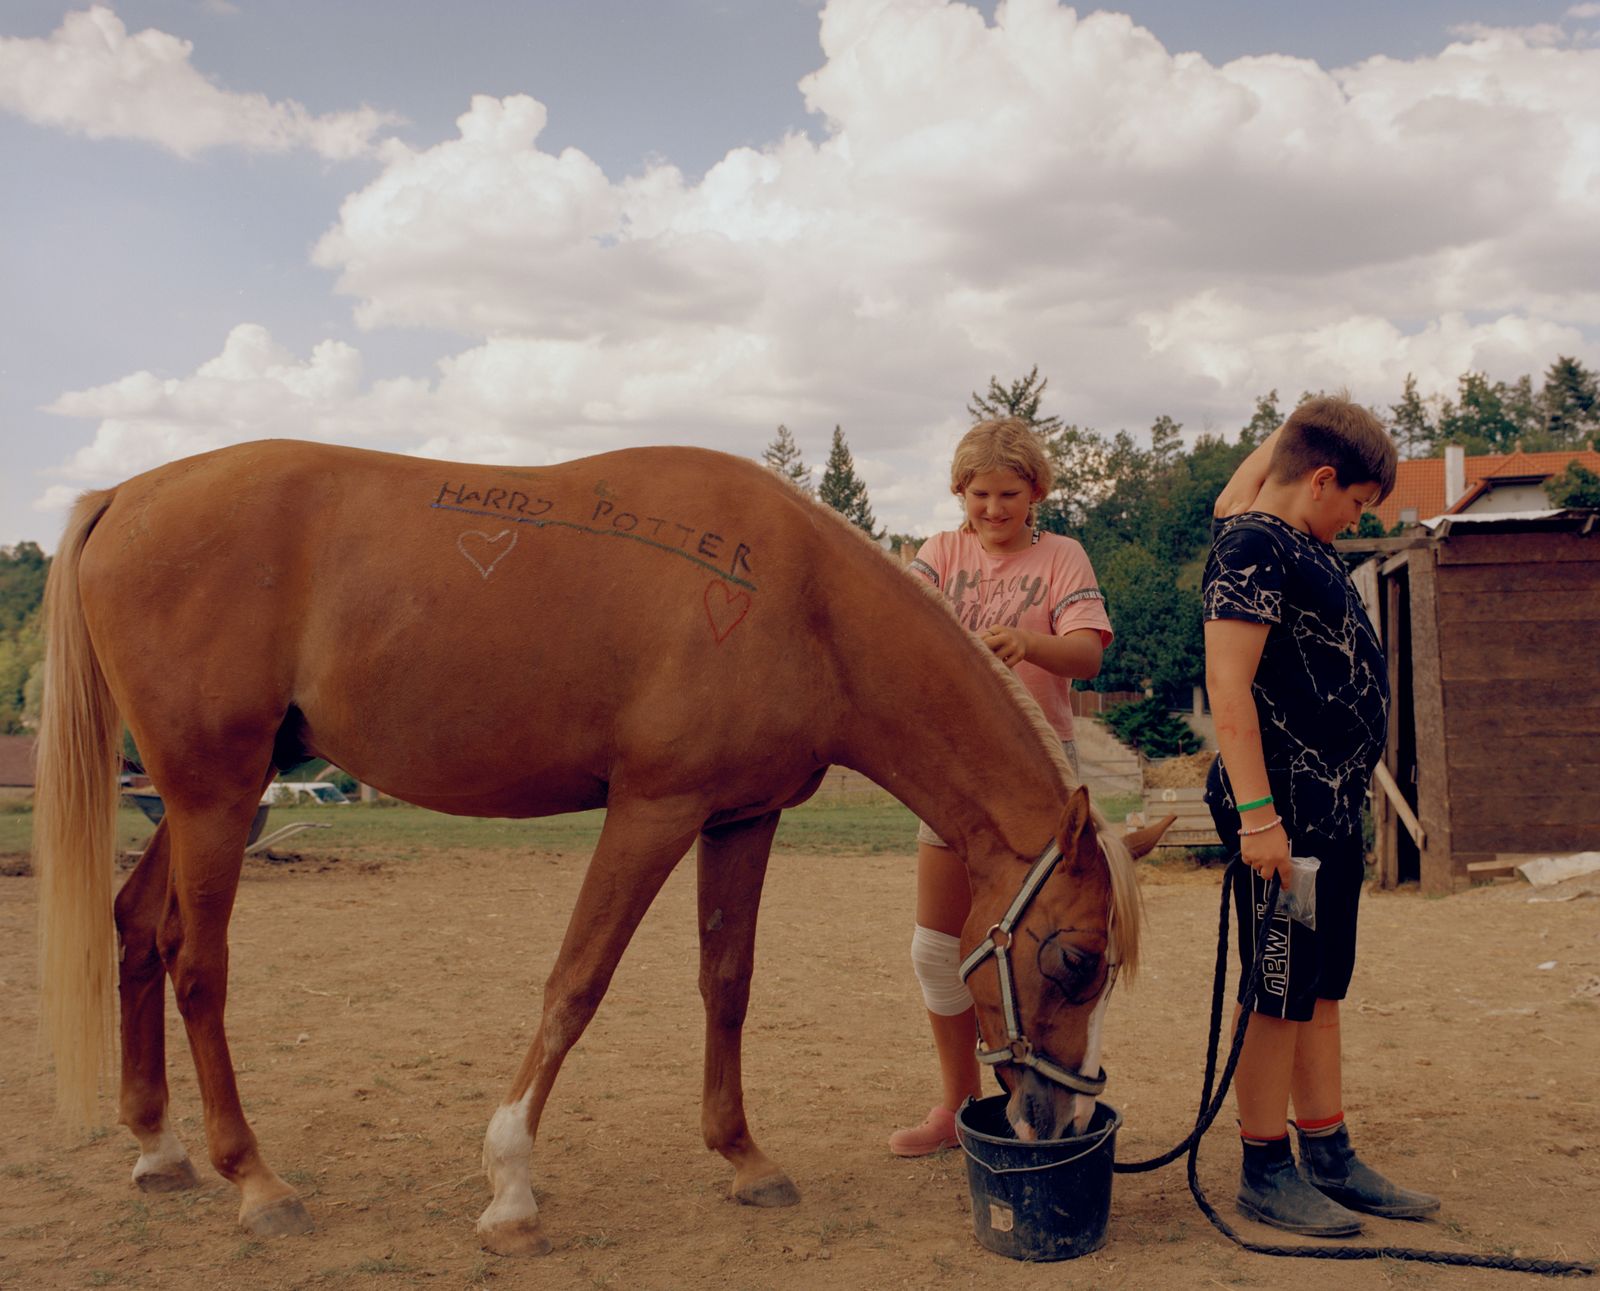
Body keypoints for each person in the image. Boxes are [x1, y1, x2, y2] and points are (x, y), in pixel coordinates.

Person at [1203, 394, 1438, 1236]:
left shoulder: (1283, 530)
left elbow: (1252, 486)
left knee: (1322, 982)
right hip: (1284, 824)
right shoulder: (1254, 545)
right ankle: (1264, 1164)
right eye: (1358, 503)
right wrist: (1260, 821)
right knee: (1278, 987)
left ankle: (1328, 1150)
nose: (1356, 520)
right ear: (1327, 480)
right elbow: (1227, 682)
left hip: (1331, 813)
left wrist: (1300, 418)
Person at [888, 416, 1113, 1157]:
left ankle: (1059, 1084)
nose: (992, 508)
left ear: (1036, 491)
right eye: (979, 493)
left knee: (1058, 947)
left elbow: (1086, 654)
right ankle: (957, 1103)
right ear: (960, 491)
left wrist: (1028, 643)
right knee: (933, 948)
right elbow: (896, 629)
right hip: (952, 778)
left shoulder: (1062, 557)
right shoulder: (937, 555)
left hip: (1041, 781)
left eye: (1008, 493)